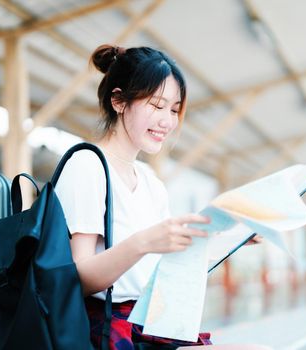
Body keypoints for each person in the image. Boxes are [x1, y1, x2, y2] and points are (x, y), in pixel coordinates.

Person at [55, 44, 213, 349]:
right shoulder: (87, 165)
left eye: (174, 109)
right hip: (106, 327)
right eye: (156, 105)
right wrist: (143, 243)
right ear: (118, 101)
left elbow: (167, 270)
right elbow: (79, 277)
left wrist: (234, 235)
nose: (168, 121)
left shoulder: (152, 182)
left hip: (152, 322)